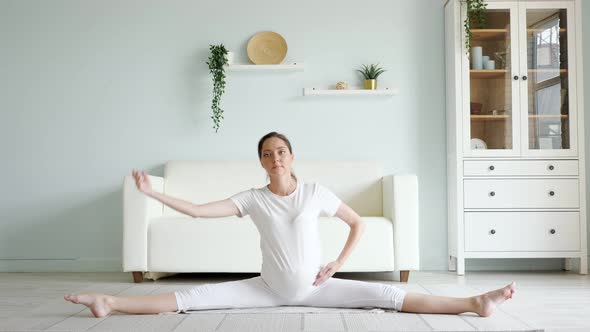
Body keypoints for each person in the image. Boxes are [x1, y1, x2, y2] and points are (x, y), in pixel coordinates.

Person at [64, 131, 516, 318]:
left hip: (319, 286)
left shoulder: (316, 193)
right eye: (266, 153)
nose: (274, 157)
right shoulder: (253, 198)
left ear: (291, 156)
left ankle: (474, 302)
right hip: (266, 289)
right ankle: (108, 302)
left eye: (281, 151)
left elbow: (358, 224)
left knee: (393, 296)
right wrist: (153, 194)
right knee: (188, 298)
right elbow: (200, 211)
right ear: (261, 162)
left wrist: (338, 263)